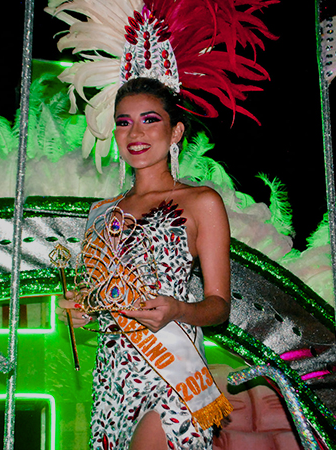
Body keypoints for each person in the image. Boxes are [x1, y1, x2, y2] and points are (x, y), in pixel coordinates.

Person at [58, 77, 233, 450]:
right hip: (113, 379)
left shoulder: (201, 202)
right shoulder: (100, 214)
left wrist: (177, 309)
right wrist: (81, 309)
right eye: (123, 122)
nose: (134, 132)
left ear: (176, 131)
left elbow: (219, 307)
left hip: (174, 375)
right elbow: (99, 296)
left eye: (150, 120)